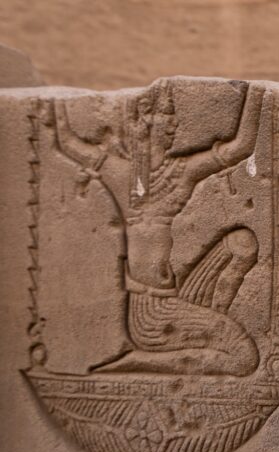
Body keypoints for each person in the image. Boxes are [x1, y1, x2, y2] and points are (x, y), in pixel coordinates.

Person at [50, 80, 265, 376]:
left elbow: (239, 148)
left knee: (241, 243)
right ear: (144, 123)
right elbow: (68, 144)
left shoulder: (180, 172)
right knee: (244, 358)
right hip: (151, 315)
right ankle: (136, 362)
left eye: (172, 116)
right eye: (166, 115)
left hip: (173, 297)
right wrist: (56, 110)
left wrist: (257, 97)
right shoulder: (121, 173)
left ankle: (205, 328)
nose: (173, 124)